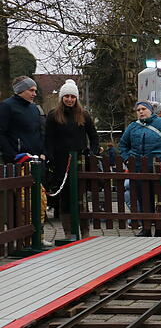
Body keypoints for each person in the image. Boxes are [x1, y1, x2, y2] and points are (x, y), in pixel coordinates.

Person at [118, 101, 161, 235]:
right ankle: (146, 227)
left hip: (158, 168)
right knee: (142, 198)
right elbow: (123, 145)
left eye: (143, 109)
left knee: (160, 199)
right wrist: (128, 159)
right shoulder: (133, 127)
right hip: (139, 168)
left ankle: (160, 228)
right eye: (138, 110)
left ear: (150, 110)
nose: (141, 112)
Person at [44, 79, 99, 223]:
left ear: (76, 98)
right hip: (60, 161)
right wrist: (50, 157)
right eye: (67, 96)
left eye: (72, 97)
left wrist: (92, 153)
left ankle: (83, 224)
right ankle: (68, 228)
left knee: (80, 194)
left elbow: (93, 136)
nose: (69, 99)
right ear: (62, 97)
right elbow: (48, 139)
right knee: (65, 196)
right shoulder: (53, 115)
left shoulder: (84, 115)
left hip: (79, 160)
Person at [0, 76, 44, 164]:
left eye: (35, 91)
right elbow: (1, 133)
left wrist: (43, 152)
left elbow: (40, 131)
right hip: (17, 161)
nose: (34, 94)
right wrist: (13, 156)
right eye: (31, 90)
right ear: (21, 90)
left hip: (36, 159)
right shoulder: (6, 106)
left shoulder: (34, 108)